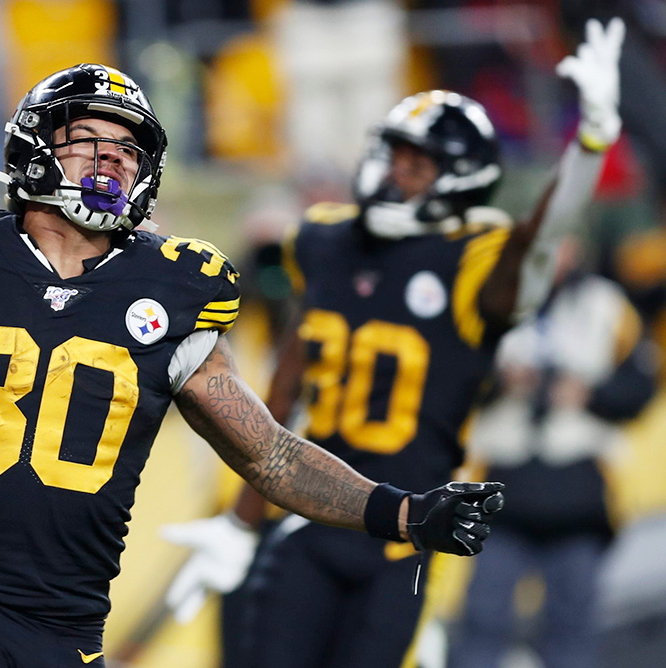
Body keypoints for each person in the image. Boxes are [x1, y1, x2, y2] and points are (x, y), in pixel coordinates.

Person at [0, 63, 503, 667]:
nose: (111, 158)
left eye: (127, 148)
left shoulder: (173, 288)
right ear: (35, 145)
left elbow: (269, 453)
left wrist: (402, 511)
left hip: (72, 622)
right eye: (90, 139)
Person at [160, 17, 625, 668]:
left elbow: (537, 244)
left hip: (405, 535)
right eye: (391, 156)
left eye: (415, 165)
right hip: (308, 519)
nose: (391, 175)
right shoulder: (325, 238)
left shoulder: (473, 261)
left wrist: (588, 147)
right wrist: (242, 521)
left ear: (459, 179)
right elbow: (284, 389)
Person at [448, 238, 656, 668]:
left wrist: (586, 393)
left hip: (577, 488)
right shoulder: (492, 300)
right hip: (502, 483)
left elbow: (641, 388)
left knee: (572, 625)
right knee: (484, 620)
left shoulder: (607, 305)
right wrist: (503, 382)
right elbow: (452, 380)